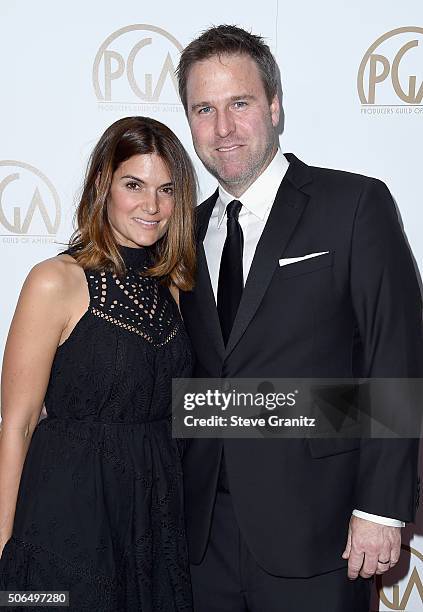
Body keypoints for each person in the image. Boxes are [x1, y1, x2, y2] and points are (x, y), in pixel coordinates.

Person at [176, 25, 423, 611]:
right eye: (203, 109)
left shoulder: (353, 205)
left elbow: (396, 355)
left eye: (240, 103)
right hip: (200, 536)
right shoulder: (182, 230)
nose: (223, 128)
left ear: (275, 106)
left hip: (322, 531)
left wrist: (381, 508)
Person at [0, 116, 196, 611]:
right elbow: (17, 425)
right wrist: (4, 547)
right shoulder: (55, 281)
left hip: (153, 517)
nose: (152, 206)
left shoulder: (172, 288)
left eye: (166, 189)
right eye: (134, 185)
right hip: (69, 512)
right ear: (102, 186)